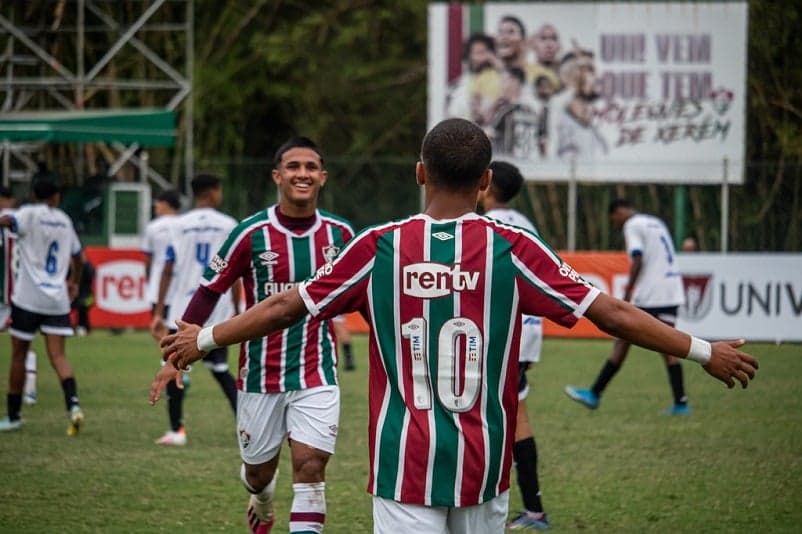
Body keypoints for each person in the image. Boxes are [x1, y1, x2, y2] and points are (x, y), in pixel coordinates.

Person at [153, 119, 758, 534]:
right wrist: (705, 351)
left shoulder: (378, 248)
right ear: (487, 181)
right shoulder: (514, 248)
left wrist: (201, 338)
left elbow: (285, 306)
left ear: (420, 173)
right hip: (486, 465)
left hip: (402, 463)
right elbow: (613, 312)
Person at [153, 137, 354, 534]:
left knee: (310, 466)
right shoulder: (250, 233)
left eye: (311, 167)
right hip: (260, 376)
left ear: (323, 177)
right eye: (293, 166)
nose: (303, 174)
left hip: (317, 373)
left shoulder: (341, 235)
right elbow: (209, 289)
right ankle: (260, 501)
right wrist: (171, 358)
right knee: (258, 474)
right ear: (277, 176)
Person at [565, 198, 691, 415]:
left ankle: (595, 393)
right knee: (636, 343)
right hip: (671, 288)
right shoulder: (655, 222)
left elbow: (637, 258)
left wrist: (628, 291)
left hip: (652, 293)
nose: (615, 223)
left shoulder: (631, 225)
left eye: (613, 218)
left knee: (650, 343)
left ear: (619, 212)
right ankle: (596, 393)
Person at [478, 161, 550, 531]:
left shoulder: (493, 226)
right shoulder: (526, 224)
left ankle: (496, 502)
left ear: (485, 186)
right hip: (528, 331)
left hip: (508, 332)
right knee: (514, 415)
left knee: (499, 418)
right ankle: (532, 508)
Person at [150, 174, 241, 446]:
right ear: (213, 193)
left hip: (183, 310)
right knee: (221, 370)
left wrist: (158, 310)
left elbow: (167, 269)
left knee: (174, 364)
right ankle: (246, 426)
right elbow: (235, 272)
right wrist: (236, 307)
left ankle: (176, 430)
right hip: (219, 309)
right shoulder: (229, 225)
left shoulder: (177, 225)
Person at [0, 177, 85, 435]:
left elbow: (7, 221)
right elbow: (78, 257)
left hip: (27, 297)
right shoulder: (64, 220)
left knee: (19, 354)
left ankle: (13, 416)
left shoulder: (28, 213)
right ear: (56, 197)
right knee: (58, 355)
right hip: (56, 299)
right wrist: (74, 282)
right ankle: (73, 406)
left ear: (33, 194)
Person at [0, 186, 38, 406]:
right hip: (24, 291)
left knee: (20, 345)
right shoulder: (28, 221)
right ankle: (30, 389)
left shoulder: (7, 221)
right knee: (23, 344)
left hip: (5, 293)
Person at [555, 47, 608, 160]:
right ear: (567, 76)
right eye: (587, 70)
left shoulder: (596, 126)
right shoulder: (556, 115)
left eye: (592, 70)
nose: (595, 77)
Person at [142, 189, 181, 317]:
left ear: (165, 204)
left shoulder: (153, 227)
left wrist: (149, 278)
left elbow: (148, 259)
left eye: (158, 203)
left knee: (161, 328)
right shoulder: (185, 225)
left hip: (158, 284)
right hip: (181, 285)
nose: (155, 206)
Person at [70, 252, 95, 336]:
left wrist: (85, 264)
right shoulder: (73, 267)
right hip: (75, 296)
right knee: (66, 307)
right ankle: (68, 326)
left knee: (83, 306)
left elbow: (92, 275)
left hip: (88, 297)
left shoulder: (88, 266)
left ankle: (84, 327)